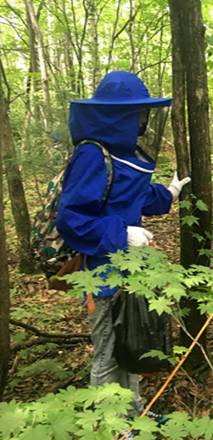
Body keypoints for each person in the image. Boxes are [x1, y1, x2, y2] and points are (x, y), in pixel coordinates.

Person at [56, 71, 189, 417]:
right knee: (107, 353)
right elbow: (71, 218)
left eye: (145, 113)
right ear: (119, 115)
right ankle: (107, 424)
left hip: (130, 271)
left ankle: (133, 415)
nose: (144, 120)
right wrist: (121, 234)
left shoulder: (121, 155)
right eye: (138, 112)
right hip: (101, 275)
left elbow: (136, 196)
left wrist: (170, 192)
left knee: (129, 345)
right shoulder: (91, 155)